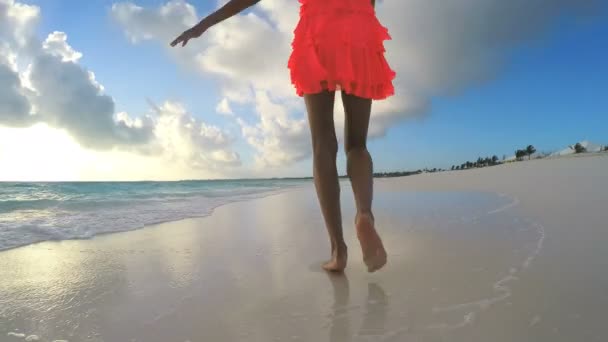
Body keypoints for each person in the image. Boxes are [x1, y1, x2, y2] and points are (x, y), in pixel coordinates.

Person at [171, 0, 395, 273]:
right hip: (360, 29)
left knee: (323, 145)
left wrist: (202, 25)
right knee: (357, 145)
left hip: (318, 30)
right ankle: (364, 214)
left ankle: (339, 250)